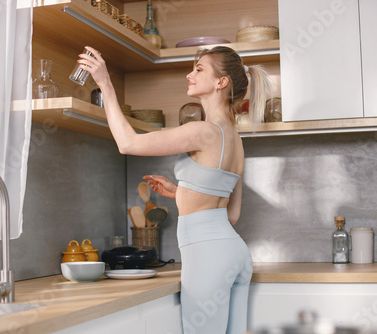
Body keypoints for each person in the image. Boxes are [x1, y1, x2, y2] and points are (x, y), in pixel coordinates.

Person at [80, 45, 272, 334]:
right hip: (234, 253)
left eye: (198, 69)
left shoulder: (203, 131)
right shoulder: (235, 138)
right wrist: (179, 192)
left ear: (221, 83)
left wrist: (105, 83)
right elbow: (230, 214)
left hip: (208, 258)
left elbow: (127, 144)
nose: (189, 75)